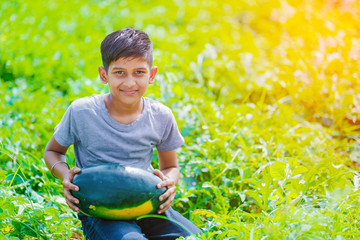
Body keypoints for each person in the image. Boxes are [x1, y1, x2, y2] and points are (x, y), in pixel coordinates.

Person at [44, 27, 202, 240]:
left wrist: (169, 182)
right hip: (99, 209)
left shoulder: (161, 116)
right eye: (119, 72)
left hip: (148, 203)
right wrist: (66, 176)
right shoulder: (82, 112)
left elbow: (170, 166)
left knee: (196, 237)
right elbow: (52, 151)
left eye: (139, 72)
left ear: (152, 75)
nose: (129, 82)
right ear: (104, 75)